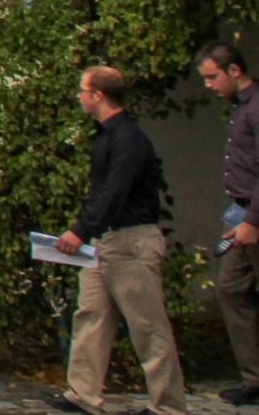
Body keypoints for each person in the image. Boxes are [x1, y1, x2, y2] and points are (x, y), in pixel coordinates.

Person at [51, 65, 185, 415]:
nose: (79, 96)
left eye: (83, 90)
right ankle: (83, 394)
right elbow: (104, 194)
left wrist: (80, 229)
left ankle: (168, 406)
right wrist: (89, 230)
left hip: (130, 241)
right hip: (105, 241)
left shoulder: (128, 138)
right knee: (91, 315)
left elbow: (115, 191)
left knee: (148, 326)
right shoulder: (108, 136)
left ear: (98, 95)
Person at [201, 43, 259, 404]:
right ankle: (254, 378)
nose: (208, 85)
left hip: (252, 215)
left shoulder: (256, 108)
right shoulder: (241, 108)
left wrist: (253, 219)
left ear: (234, 70)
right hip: (240, 213)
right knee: (231, 288)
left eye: (212, 77)